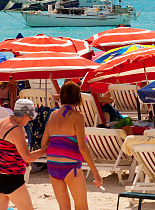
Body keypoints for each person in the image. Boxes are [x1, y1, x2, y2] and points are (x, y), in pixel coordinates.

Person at [41, 81, 102, 210]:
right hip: (70, 166)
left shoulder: (52, 115)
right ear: (78, 97)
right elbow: (82, 147)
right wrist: (95, 172)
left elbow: (43, 143)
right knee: (81, 207)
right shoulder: (77, 116)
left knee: (64, 208)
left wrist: (58, 146)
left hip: (53, 165)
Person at [0, 99, 45, 210]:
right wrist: (46, 149)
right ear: (25, 115)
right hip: (11, 178)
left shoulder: (2, 123)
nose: (30, 121)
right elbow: (27, 157)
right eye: (30, 117)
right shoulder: (17, 129)